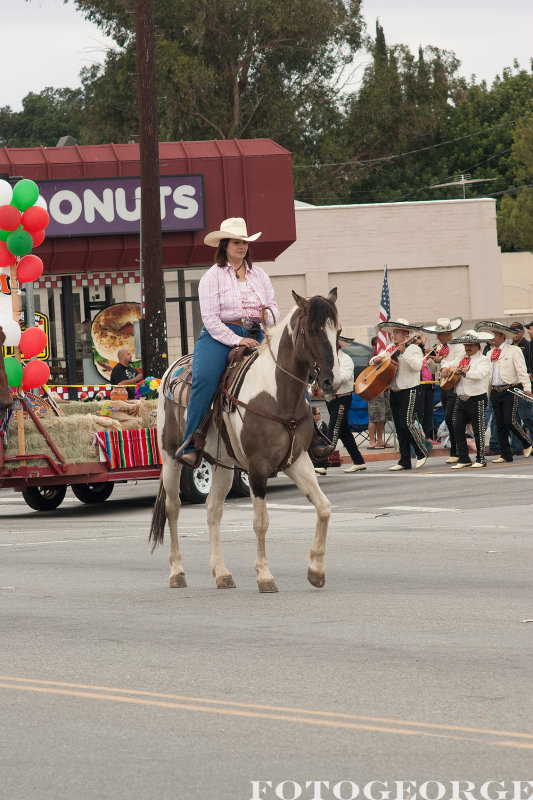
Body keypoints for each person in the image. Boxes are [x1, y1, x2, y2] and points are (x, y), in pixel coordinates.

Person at [175, 218, 279, 467]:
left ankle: (311, 433)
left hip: (257, 334)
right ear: (224, 246)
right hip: (219, 337)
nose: (241, 246)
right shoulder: (212, 277)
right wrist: (237, 339)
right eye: (236, 242)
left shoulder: (260, 275)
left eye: (244, 242)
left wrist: (269, 316)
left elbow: (274, 306)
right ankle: (192, 440)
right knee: (205, 379)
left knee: (288, 369)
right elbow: (210, 319)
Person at [370, 318, 428, 471]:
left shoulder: (414, 349)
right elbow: (374, 360)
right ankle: (404, 460)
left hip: (409, 389)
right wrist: (376, 359)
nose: (394, 335)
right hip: (394, 391)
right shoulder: (390, 347)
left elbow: (417, 367)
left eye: (397, 332)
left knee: (406, 423)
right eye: (393, 332)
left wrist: (404, 353)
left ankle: (421, 452)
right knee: (399, 426)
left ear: (405, 334)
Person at [474, 320, 533, 463]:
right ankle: (505, 454)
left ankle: (526, 442)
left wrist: (526, 388)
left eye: (494, 335)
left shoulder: (513, 350)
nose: (492, 338)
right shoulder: (489, 353)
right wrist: (486, 395)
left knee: (509, 420)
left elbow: (522, 371)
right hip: (495, 390)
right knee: (499, 423)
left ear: (502, 336)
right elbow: (487, 377)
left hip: (510, 389)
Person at [440, 330, 493, 469]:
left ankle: (481, 459)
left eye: (471, 345)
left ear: (478, 346)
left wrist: (465, 372)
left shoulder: (484, 360)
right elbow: (447, 363)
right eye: (466, 345)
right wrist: (444, 368)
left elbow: (479, 374)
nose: (468, 348)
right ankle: (464, 458)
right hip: (461, 397)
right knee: (457, 427)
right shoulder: (462, 357)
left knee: (478, 430)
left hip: (477, 398)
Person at [421, 317, 464, 463]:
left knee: (453, 419)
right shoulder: (439, 348)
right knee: (448, 418)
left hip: (455, 386)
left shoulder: (458, 346)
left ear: (449, 333)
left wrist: (442, 361)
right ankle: (455, 450)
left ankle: (456, 450)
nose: (438, 337)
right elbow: (435, 370)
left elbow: (458, 361)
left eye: (440, 334)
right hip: (444, 386)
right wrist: (431, 360)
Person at [322, 336, 366, 474]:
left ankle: (323, 463)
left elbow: (345, 376)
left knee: (333, 430)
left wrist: (328, 375)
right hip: (330, 398)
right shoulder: (325, 359)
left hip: (342, 398)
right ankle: (358, 461)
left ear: (337, 345)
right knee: (344, 431)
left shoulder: (345, 358)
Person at [508, 321, 533, 450]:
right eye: (512, 332)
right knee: (514, 418)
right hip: (512, 385)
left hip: (524, 384)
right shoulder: (510, 347)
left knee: (527, 416)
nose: (514, 335)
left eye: (517, 332)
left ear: (522, 333)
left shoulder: (527, 345)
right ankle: (515, 446)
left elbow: (527, 365)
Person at [367, 336, 392, 448]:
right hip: (374, 390)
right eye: (377, 345)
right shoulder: (372, 357)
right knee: (374, 417)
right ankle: (372, 441)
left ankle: (380, 440)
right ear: (373, 346)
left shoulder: (385, 356)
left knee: (382, 417)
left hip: (385, 389)